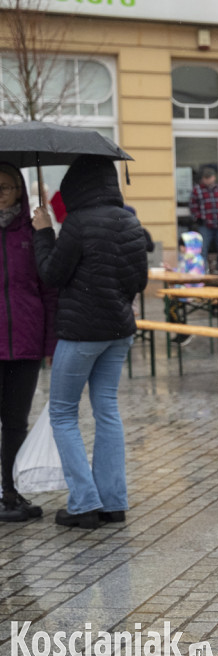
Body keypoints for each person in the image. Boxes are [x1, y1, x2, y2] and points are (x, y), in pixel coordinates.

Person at [31, 155, 149, 529]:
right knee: (107, 411)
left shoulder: (79, 223)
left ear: (76, 185)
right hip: (119, 332)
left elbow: (52, 273)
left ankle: (83, 503)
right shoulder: (129, 220)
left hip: (81, 333)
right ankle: (113, 502)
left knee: (63, 413)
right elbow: (139, 281)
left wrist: (43, 232)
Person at [0, 163, 57, 523]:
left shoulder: (33, 230)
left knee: (15, 420)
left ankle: (11, 491)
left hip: (25, 340)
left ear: (19, 190)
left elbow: (49, 289)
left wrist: (51, 345)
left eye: (5, 187)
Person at [189, 166, 218, 264]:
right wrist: (197, 218)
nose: (208, 180)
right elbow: (193, 206)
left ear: (214, 177)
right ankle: (202, 270)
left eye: (209, 177)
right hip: (205, 225)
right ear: (202, 179)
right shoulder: (197, 190)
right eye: (205, 178)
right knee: (203, 249)